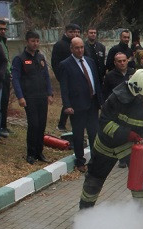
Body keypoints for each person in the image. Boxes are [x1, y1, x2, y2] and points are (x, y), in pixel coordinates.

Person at [79, 69, 143, 209]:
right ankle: (85, 213)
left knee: (140, 180)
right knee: (94, 180)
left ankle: (142, 216)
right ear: (137, 94)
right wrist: (127, 134)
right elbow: (104, 123)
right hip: (106, 145)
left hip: (129, 147)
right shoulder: (116, 99)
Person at [59, 37, 103, 172]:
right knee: (78, 135)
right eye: (77, 48)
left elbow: (96, 82)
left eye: (82, 47)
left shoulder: (90, 61)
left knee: (94, 133)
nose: (80, 50)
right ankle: (80, 161)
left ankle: (95, 160)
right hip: (77, 105)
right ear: (71, 49)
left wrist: (100, 101)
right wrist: (67, 105)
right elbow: (64, 87)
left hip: (92, 103)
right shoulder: (65, 64)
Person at [11, 31, 54, 164]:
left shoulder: (40, 57)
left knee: (41, 125)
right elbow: (16, 79)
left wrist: (49, 93)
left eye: (37, 41)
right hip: (29, 97)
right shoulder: (20, 59)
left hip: (42, 96)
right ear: (26, 42)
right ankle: (31, 153)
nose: (35, 44)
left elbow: (46, 76)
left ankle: (39, 152)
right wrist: (20, 96)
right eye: (32, 41)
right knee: (33, 125)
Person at [51, 23, 80, 132]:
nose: (74, 34)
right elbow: (55, 63)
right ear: (66, 32)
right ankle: (61, 124)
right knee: (68, 101)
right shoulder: (60, 45)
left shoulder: (79, 45)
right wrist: (60, 77)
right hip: (65, 77)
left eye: (76, 32)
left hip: (78, 78)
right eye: (71, 32)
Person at [0, 19, 11, 138]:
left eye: (5, 29)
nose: (3, 31)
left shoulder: (3, 41)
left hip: (6, 74)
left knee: (5, 101)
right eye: (1, 29)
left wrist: (10, 71)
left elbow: (6, 59)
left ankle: (4, 125)